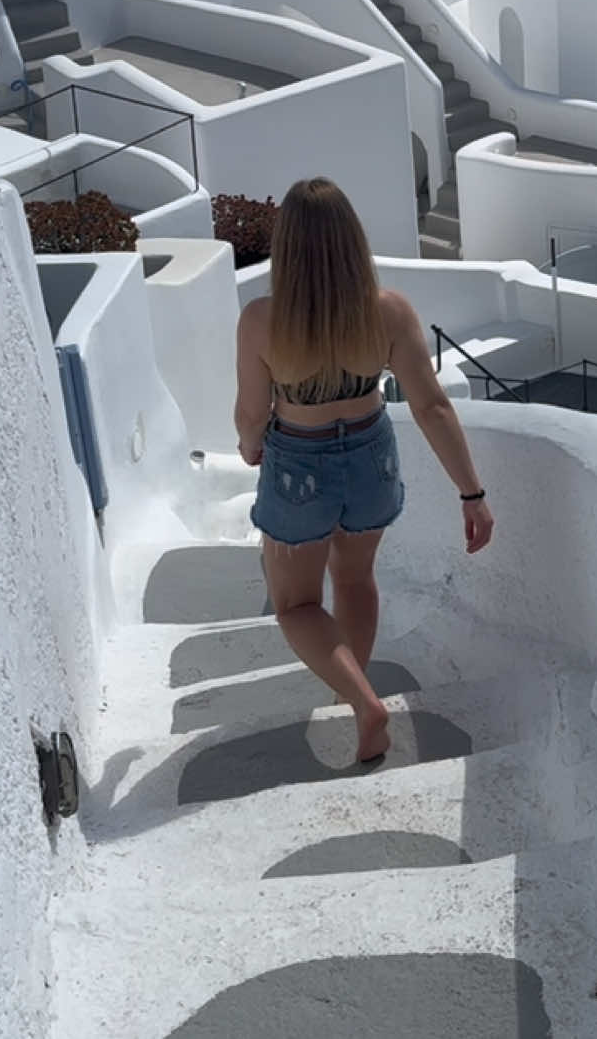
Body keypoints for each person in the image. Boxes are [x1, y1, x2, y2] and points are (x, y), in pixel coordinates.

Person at [234, 177, 494, 764]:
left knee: (297, 605)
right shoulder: (389, 312)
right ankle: (353, 691)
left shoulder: (261, 320)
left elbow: (253, 413)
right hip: (371, 456)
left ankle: (362, 701)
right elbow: (431, 406)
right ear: (353, 241)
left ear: (288, 250)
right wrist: (471, 493)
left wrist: (252, 445)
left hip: (298, 460)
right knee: (355, 579)